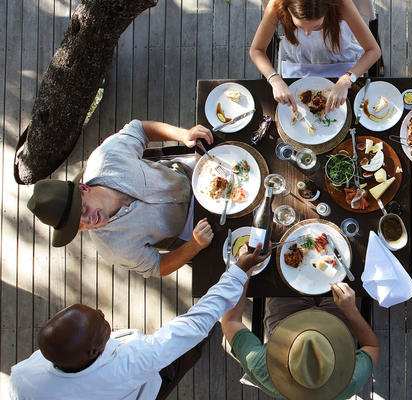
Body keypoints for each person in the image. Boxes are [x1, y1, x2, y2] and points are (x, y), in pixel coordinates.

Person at [8, 243, 271, 400]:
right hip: (146, 384)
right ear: (93, 352)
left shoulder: (21, 376)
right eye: (100, 320)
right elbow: (193, 324)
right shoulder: (128, 365)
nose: (101, 311)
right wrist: (237, 272)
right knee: (188, 347)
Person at [27, 120, 215, 277]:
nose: (88, 221)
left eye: (82, 210)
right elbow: (157, 267)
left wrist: (183, 134)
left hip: (191, 175)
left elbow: (139, 129)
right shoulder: (113, 249)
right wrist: (193, 246)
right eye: (79, 226)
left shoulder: (107, 157)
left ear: (83, 188)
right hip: (192, 229)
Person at [220, 282, 379, 399]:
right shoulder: (350, 380)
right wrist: (351, 310)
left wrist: (244, 272)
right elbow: (372, 346)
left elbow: (230, 322)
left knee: (283, 278)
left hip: (287, 320)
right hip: (337, 321)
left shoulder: (262, 366)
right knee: (346, 277)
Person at [249, 0, 382, 112]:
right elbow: (256, 50)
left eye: (317, 25)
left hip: (342, 60)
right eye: (300, 26)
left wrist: (346, 80)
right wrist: (274, 79)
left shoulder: (342, 4)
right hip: (301, 62)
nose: (307, 33)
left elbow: (373, 51)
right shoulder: (277, 4)